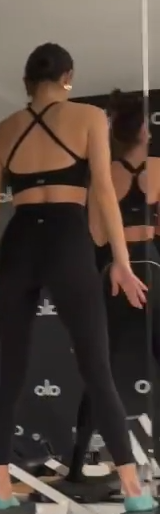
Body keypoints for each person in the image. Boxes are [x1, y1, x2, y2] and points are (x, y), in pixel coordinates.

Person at [0, 46, 151, 512]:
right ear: (68, 76)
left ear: (26, 81)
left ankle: (1, 489)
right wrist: (122, 261)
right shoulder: (89, 117)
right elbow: (103, 192)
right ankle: (133, 490)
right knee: (97, 368)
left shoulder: (3, 130)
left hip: (19, 242)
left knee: (12, 373)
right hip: (67, 239)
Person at [69, 91, 160, 481]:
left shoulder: (102, 176)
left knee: (100, 372)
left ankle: (77, 464)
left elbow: (96, 234)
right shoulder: (159, 168)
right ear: (144, 131)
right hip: (154, 268)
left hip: (115, 274)